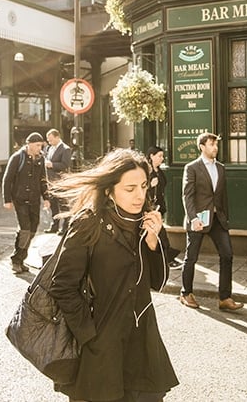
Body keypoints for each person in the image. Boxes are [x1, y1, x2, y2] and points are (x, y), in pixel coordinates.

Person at [46, 148, 178, 401]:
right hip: (101, 346)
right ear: (109, 189)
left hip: (143, 345)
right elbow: (62, 286)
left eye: (143, 186)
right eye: (130, 189)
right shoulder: (88, 223)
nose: (140, 195)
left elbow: (159, 283)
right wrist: (88, 334)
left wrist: (153, 242)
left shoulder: (149, 221)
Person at [179, 132, 243, 312]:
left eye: (216, 144)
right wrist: (193, 218)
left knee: (227, 255)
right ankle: (186, 293)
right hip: (198, 219)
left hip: (217, 219)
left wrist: (225, 217)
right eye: (211, 144)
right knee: (191, 257)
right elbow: (188, 196)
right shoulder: (192, 167)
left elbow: (222, 196)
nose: (215, 148)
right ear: (202, 146)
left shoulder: (221, 168)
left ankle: (225, 298)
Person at [3, 132, 50, 273]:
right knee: (25, 230)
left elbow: (43, 179)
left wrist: (46, 198)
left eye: (41, 145)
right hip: (20, 199)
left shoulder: (41, 159)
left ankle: (21, 258)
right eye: (37, 145)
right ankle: (16, 261)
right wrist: (7, 200)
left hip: (34, 200)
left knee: (32, 230)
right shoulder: (17, 157)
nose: (39, 148)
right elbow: (7, 179)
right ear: (29, 144)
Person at [146, 146, 182, 269]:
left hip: (159, 207)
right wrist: (150, 186)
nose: (162, 158)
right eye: (159, 156)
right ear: (151, 156)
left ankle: (165, 258)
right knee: (161, 233)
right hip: (150, 208)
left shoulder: (159, 170)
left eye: (162, 156)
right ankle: (168, 259)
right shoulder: (147, 171)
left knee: (160, 233)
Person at [43, 129, 72, 234]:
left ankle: (65, 227)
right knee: (53, 206)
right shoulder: (49, 148)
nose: (49, 142)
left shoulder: (65, 149)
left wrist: (52, 165)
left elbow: (65, 165)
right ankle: (54, 226)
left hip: (60, 182)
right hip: (50, 182)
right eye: (48, 140)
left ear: (57, 137)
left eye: (51, 140)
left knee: (63, 206)